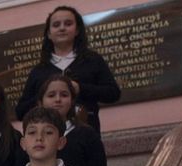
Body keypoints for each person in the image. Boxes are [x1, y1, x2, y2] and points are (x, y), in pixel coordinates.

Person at [15, 5, 120, 134]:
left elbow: (113, 93)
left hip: (87, 136)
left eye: (68, 23)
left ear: (77, 30)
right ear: (48, 33)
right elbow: (20, 112)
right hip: (48, 140)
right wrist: (45, 95)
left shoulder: (92, 60)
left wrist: (81, 88)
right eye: (56, 25)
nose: (62, 28)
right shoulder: (39, 70)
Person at [41, 73, 109, 166]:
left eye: (64, 95)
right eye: (51, 95)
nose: (58, 99)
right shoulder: (34, 137)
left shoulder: (87, 135)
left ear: (72, 101)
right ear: (41, 101)